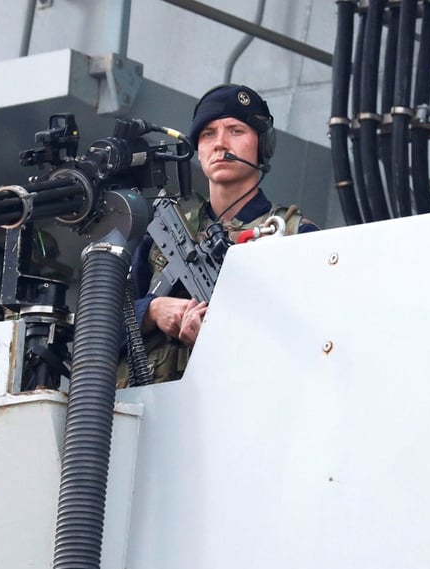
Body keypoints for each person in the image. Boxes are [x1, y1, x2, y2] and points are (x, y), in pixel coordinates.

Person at [118, 83, 318, 387]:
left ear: (263, 146)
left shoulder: (294, 235)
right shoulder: (160, 233)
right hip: (146, 412)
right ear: (197, 149)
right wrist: (151, 311)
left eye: (236, 131)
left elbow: (316, 342)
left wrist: (225, 339)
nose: (220, 144)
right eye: (208, 134)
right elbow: (98, 331)